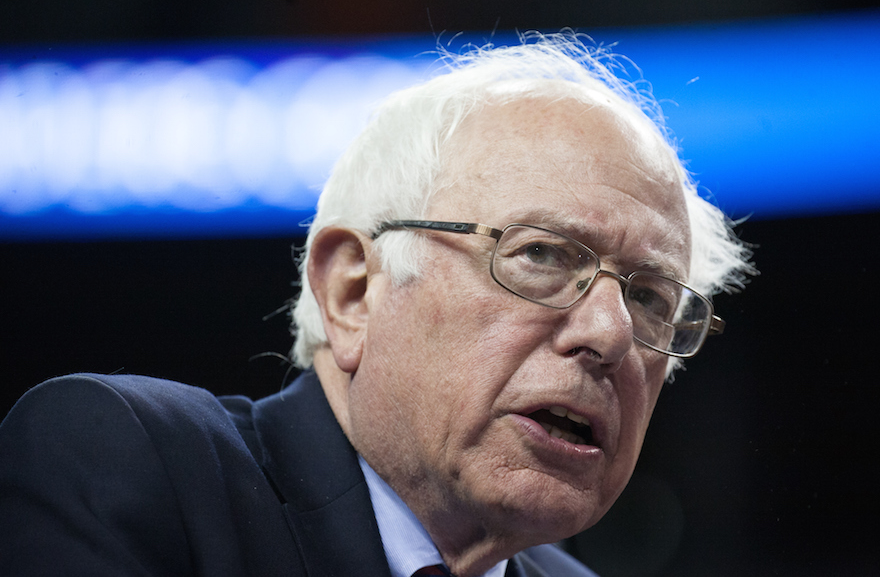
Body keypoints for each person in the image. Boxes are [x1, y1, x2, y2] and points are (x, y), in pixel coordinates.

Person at [0, 33, 753, 576]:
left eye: (652, 298)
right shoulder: (127, 465)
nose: (612, 333)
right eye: (543, 256)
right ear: (352, 291)